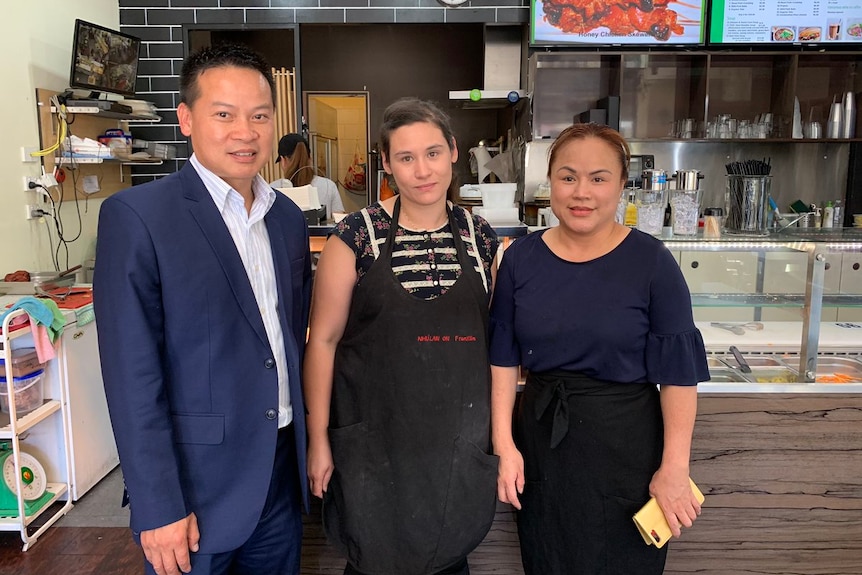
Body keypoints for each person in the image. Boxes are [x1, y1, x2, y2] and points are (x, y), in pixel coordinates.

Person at [93, 43, 312, 575]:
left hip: (279, 472)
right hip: (194, 488)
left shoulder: (286, 217)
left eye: (260, 116)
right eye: (225, 114)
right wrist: (157, 503)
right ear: (187, 119)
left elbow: (286, 341)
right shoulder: (138, 216)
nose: (246, 131)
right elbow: (131, 377)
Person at [489, 123, 709, 574]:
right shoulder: (519, 260)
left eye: (598, 178)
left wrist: (673, 468)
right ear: (549, 183)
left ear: (622, 185)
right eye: (568, 177)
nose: (581, 192)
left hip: (626, 450)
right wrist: (505, 447)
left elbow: (679, 376)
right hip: (543, 447)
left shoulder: (652, 262)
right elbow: (503, 360)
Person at [303, 97, 500, 575]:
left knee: (450, 558)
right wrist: (318, 438)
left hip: (454, 443)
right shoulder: (355, 237)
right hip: (373, 442)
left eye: (433, 153)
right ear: (387, 164)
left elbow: (498, 346)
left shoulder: (480, 237)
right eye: (406, 158)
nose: (422, 170)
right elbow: (323, 342)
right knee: (371, 557)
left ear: (453, 151)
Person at [271, 133, 345, 220]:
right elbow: (340, 221)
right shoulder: (329, 186)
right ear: (310, 158)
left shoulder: (272, 190)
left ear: (283, 160)